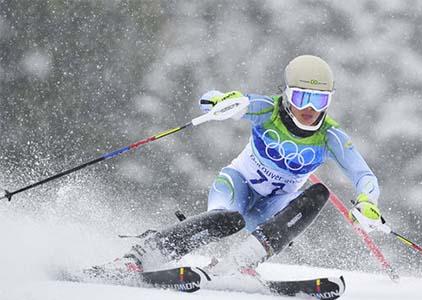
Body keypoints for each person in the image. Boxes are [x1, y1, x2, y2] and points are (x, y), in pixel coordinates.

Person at [90, 55, 386, 278]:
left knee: (318, 193)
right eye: (301, 98)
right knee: (228, 220)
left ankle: (242, 261)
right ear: (286, 95)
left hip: (274, 208)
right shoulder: (268, 110)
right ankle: (138, 257)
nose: (309, 110)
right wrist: (222, 101)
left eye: (319, 100)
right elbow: (217, 100)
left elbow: (363, 175)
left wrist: (367, 202)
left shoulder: (330, 136)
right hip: (238, 187)